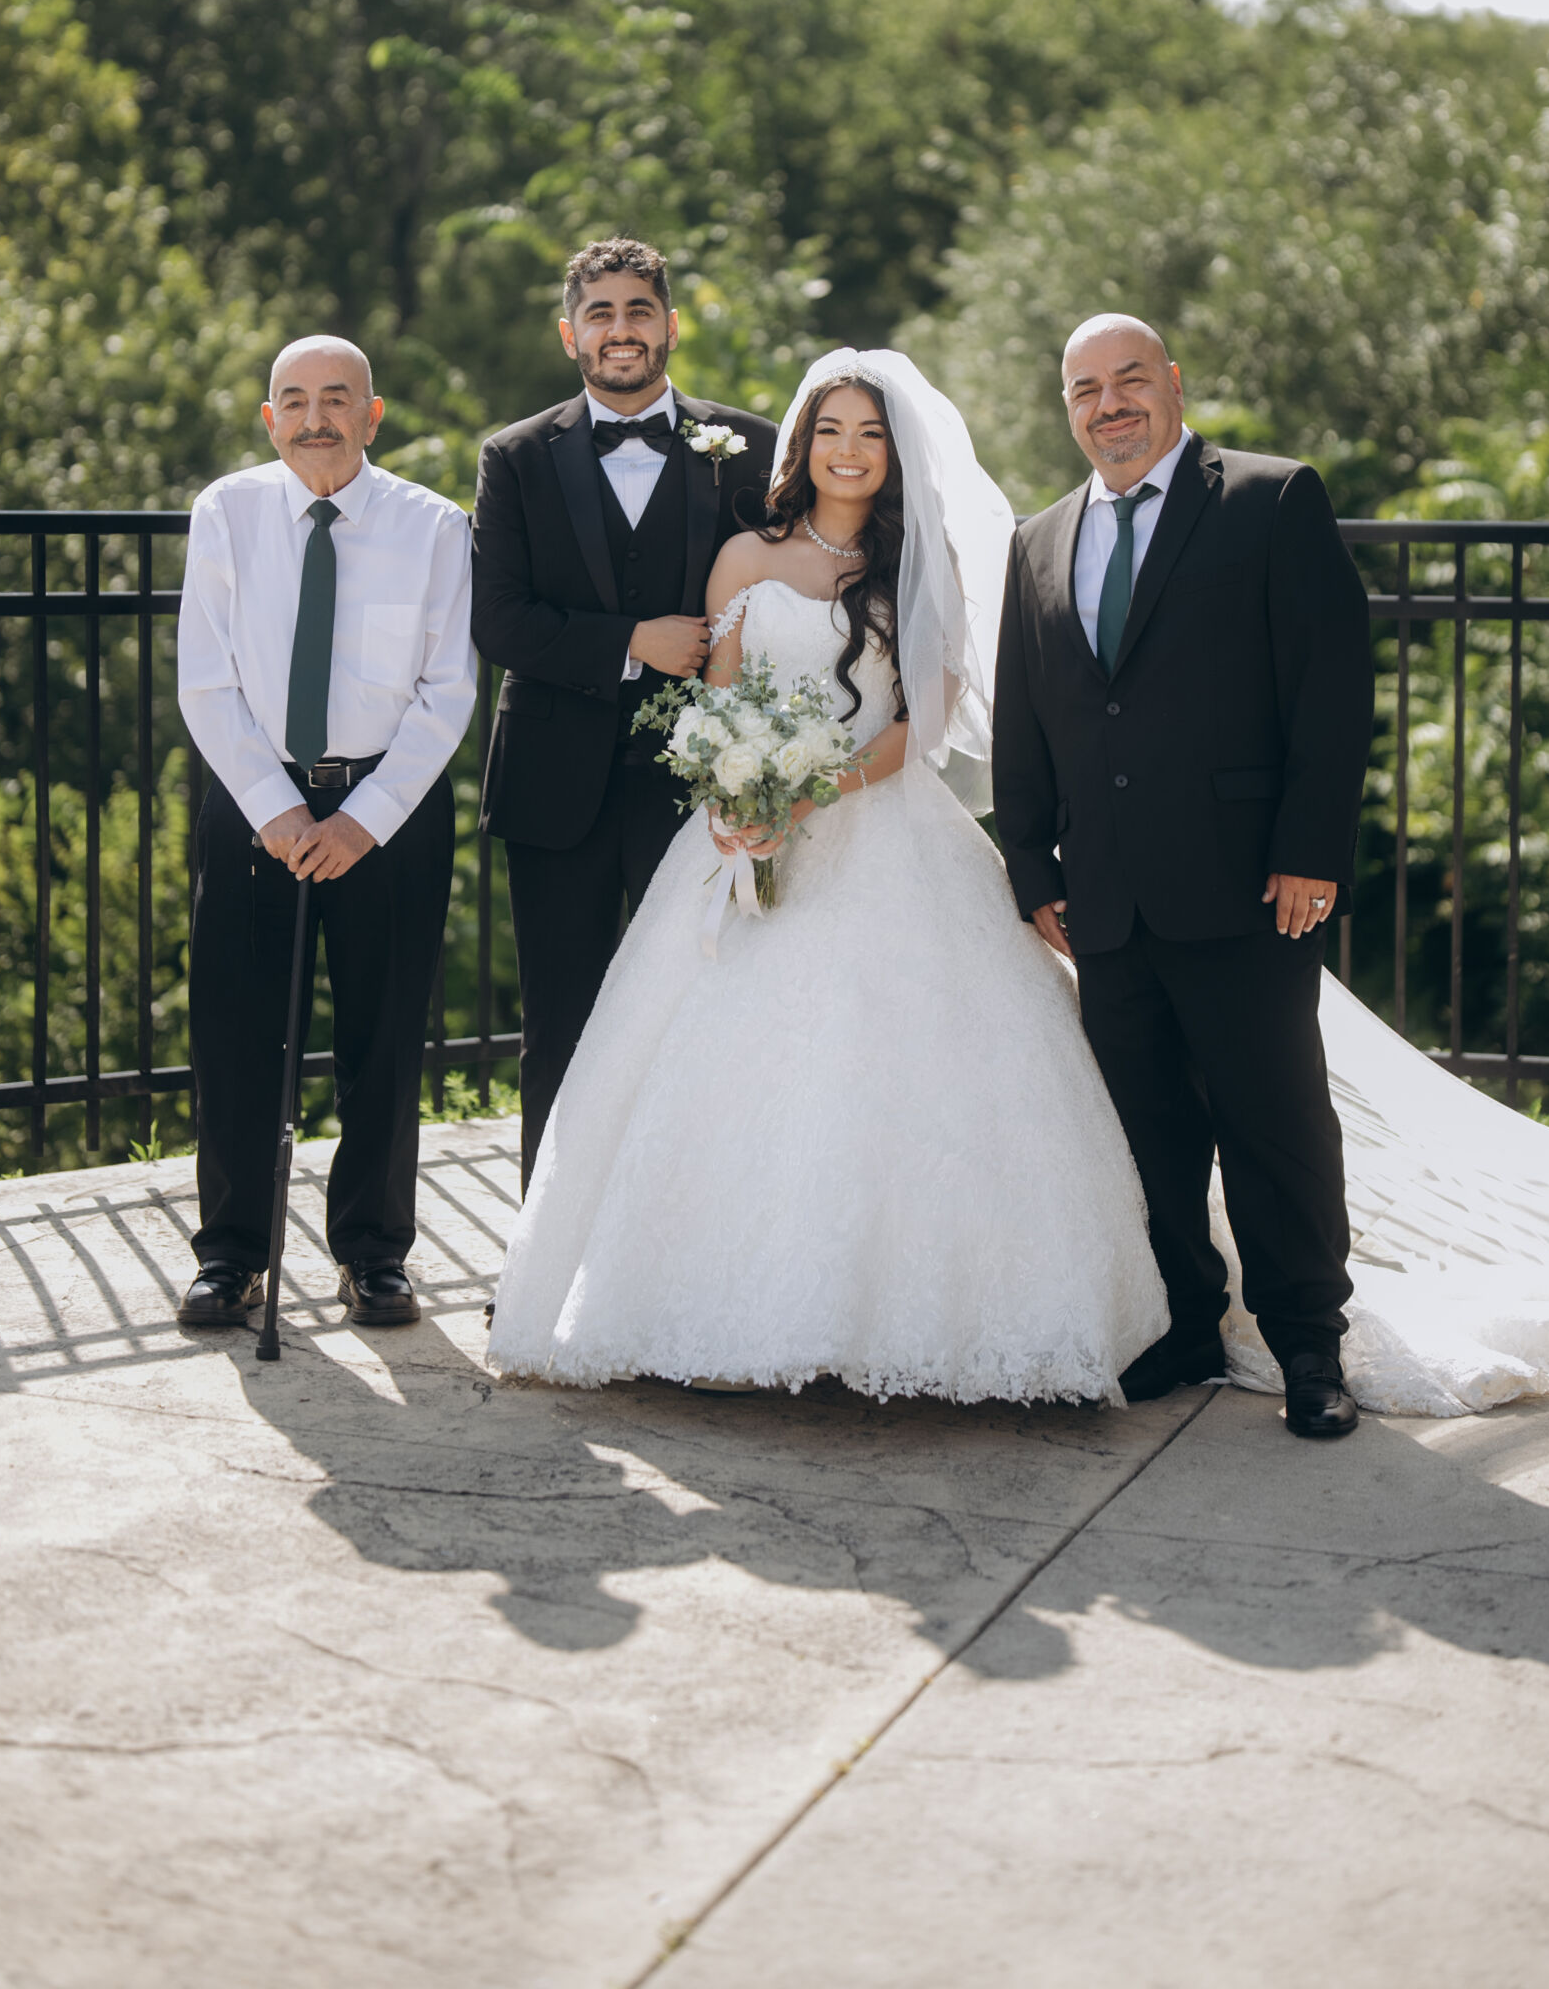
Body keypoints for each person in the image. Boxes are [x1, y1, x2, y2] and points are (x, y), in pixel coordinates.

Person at [485, 349, 1170, 1401]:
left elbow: (919, 724)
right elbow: (718, 699)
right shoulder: (743, 556)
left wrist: (812, 791)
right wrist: (735, 794)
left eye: (870, 435)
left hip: (883, 825)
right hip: (747, 833)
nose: (849, 453)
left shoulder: (919, 563)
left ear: (896, 453)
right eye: (832, 432)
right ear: (803, 446)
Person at [992, 315, 1373, 1437]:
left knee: (1274, 1123)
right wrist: (1031, 863)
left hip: (1247, 883)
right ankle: (1186, 1325)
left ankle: (1309, 1346)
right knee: (1145, 1133)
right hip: (1104, 898)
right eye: (1085, 389)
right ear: (1068, 408)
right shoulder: (1038, 541)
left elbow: (1331, 686)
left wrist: (1310, 850)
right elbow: (1027, 716)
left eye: (1129, 380)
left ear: (1172, 383)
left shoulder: (1270, 499)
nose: (1109, 405)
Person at [176, 336, 474, 1331]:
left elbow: (448, 692)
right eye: (296, 400)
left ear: (371, 414)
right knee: (236, 1032)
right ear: (270, 419)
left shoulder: (434, 527)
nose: (317, 418)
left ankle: (374, 1256)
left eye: (337, 399)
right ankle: (231, 1257)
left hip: (388, 809)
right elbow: (206, 678)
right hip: (254, 802)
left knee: (383, 1039)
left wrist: (361, 822)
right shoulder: (227, 512)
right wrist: (274, 808)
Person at [470, 238, 779, 1184]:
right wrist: (632, 642)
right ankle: (546, 1241)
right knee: (559, 1024)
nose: (620, 329)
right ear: (570, 335)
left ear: (670, 325)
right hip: (553, 785)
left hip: (703, 789)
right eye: (599, 314)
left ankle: (689, 1230)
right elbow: (500, 620)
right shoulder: (514, 457)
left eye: (638, 310)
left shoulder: (754, 446)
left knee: (701, 1012)